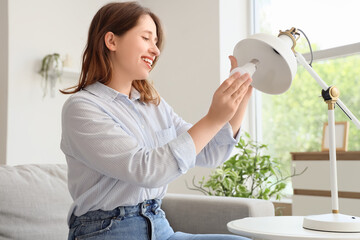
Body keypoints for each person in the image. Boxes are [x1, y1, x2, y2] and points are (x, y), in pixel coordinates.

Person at [60, 2, 253, 240]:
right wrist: (213, 118)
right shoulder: (82, 108)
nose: (156, 50)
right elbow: (146, 169)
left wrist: (242, 93)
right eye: (146, 38)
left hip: (160, 228)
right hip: (107, 231)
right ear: (111, 41)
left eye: (156, 42)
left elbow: (211, 152)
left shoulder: (154, 105)